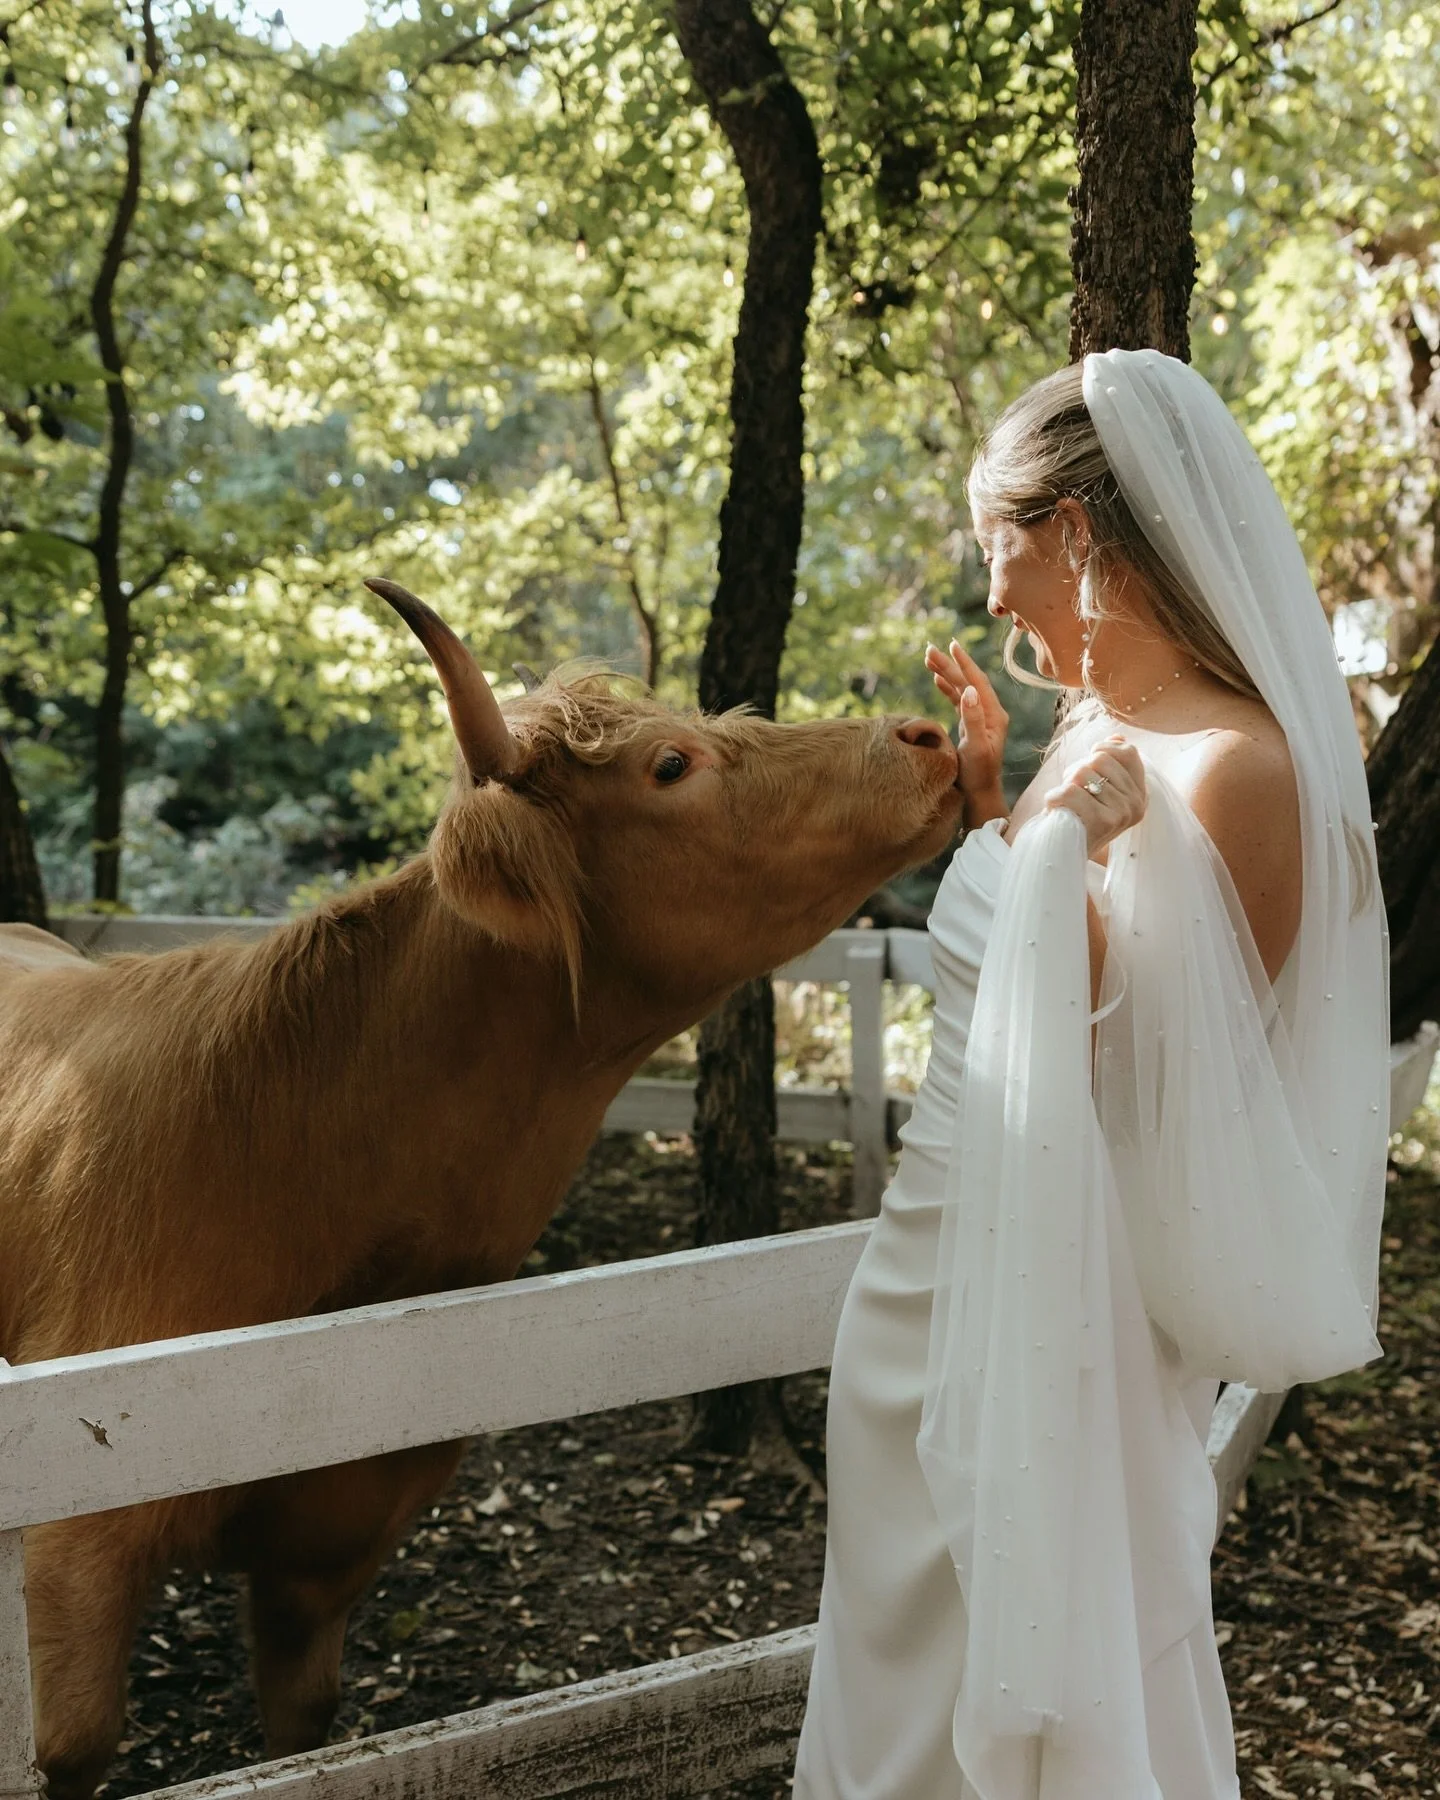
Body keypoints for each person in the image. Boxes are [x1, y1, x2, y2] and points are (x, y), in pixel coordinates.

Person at [791, 349, 1390, 1800]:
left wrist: (1067, 848)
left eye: (997, 547)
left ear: (1071, 532)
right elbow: (1024, 970)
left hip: (1067, 1294)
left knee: (1035, 1654)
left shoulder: (1240, 768)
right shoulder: (1095, 729)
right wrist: (1004, 807)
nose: (992, 597)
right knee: (897, 1652)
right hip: (928, 1264)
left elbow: (1158, 1085)